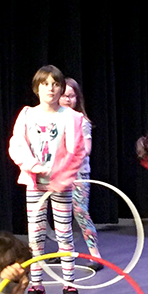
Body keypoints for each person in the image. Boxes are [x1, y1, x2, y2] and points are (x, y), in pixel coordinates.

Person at [8, 65, 90, 294]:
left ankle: (69, 286)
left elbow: (77, 152)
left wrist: (60, 177)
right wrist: (34, 166)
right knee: (36, 237)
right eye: (45, 84)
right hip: (35, 184)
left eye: (55, 84)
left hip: (61, 186)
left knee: (65, 234)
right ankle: (36, 287)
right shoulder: (27, 115)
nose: (50, 89)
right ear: (37, 87)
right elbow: (17, 145)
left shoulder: (72, 117)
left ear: (61, 88)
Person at [59, 78, 102, 268]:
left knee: (81, 212)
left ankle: (95, 255)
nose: (68, 100)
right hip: (59, 174)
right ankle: (65, 253)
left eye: (72, 96)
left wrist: (68, 154)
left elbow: (87, 148)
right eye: (64, 96)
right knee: (61, 215)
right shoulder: (53, 120)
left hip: (78, 174)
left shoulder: (81, 121)